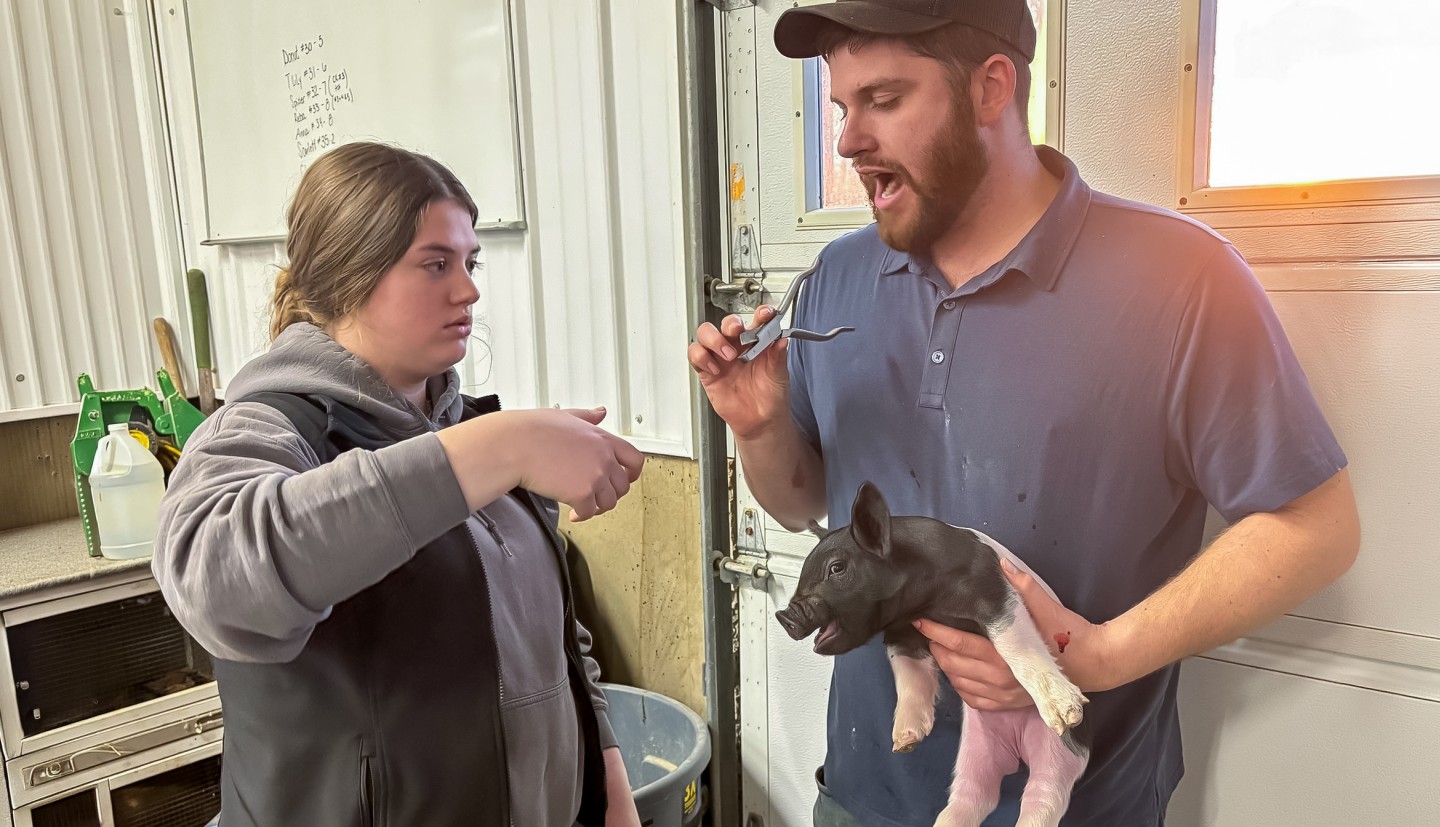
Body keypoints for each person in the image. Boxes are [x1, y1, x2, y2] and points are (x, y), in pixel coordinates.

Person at [688, 1, 1361, 825]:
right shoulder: (835, 278)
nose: (848, 140)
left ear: (992, 88)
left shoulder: (1182, 280)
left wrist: (1094, 654)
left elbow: (1316, 525)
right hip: (863, 797)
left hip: (1076, 805)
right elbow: (800, 505)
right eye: (841, 107)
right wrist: (759, 430)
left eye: (885, 100)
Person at [154, 141, 646, 827]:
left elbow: (562, 649)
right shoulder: (269, 427)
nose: (469, 288)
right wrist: (499, 447)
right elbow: (218, 583)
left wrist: (612, 795)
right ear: (349, 273)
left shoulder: (476, 434)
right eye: (436, 264)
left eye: (470, 263)